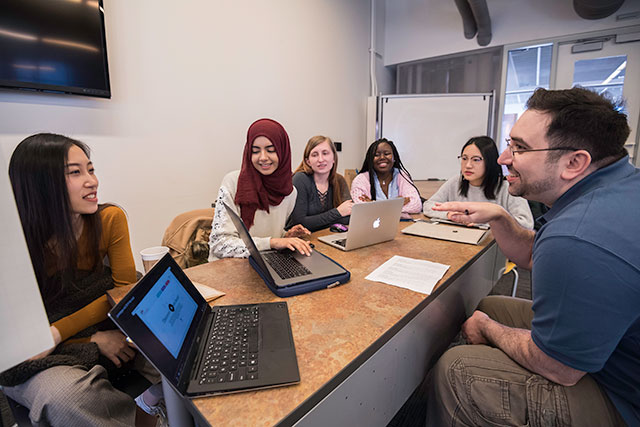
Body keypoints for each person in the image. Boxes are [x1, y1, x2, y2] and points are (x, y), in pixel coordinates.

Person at [427, 87, 639, 426]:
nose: (503, 158)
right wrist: (499, 217)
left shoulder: (577, 236)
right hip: (614, 354)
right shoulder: (613, 188)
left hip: (620, 397)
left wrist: (487, 329)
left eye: (520, 148)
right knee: (491, 305)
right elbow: (532, 252)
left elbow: (561, 367)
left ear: (574, 162)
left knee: (456, 367)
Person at [1, 133, 163, 426]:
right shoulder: (13, 246)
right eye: (75, 173)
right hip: (37, 351)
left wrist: (60, 332)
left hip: (82, 326)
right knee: (68, 398)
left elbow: (122, 295)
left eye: (91, 169)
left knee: (174, 341)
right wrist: (93, 340)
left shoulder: (110, 219)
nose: (92, 180)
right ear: (39, 185)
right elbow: (24, 340)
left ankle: (151, 407)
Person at [208, 118, 312, 260]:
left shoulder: (290, 192)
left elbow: (267, 236)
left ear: (283, 151)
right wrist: (273, 242)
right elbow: (220, 245)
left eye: (271, 150)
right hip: (227, 269)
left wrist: (285, 236)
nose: (263, 157)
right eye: (255, 151)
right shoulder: (232, 182)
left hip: (265, 266)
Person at [423, 136, 534, 229]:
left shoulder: (507, 187)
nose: (468, 165)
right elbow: (428, 206)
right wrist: (449, 215)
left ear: (489, 162)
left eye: (476, 160)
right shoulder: (456, 182)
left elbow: (526, 224)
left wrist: (483, 220)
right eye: (464, 158)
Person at [286, 135, 353, 232]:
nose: (321, 159)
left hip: (328, 237)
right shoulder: (300, 179)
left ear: (334, 158)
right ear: (308, 161)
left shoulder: (339, 180)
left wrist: (315, 222)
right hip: (301, 240)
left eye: (325, 153)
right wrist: (337, 212)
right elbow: (300, 223)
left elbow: (348, 217)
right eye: (315, 155)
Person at [350, 138, 422, 215]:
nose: (382, 157)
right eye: (376, 155)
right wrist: (395, 205)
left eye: (387, 154)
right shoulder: (361, 179)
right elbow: (360, 209)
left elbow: (416, 205)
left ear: (394, 158)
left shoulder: (402, 175)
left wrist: (373, 205)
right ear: (370, 159)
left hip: (401, 224)